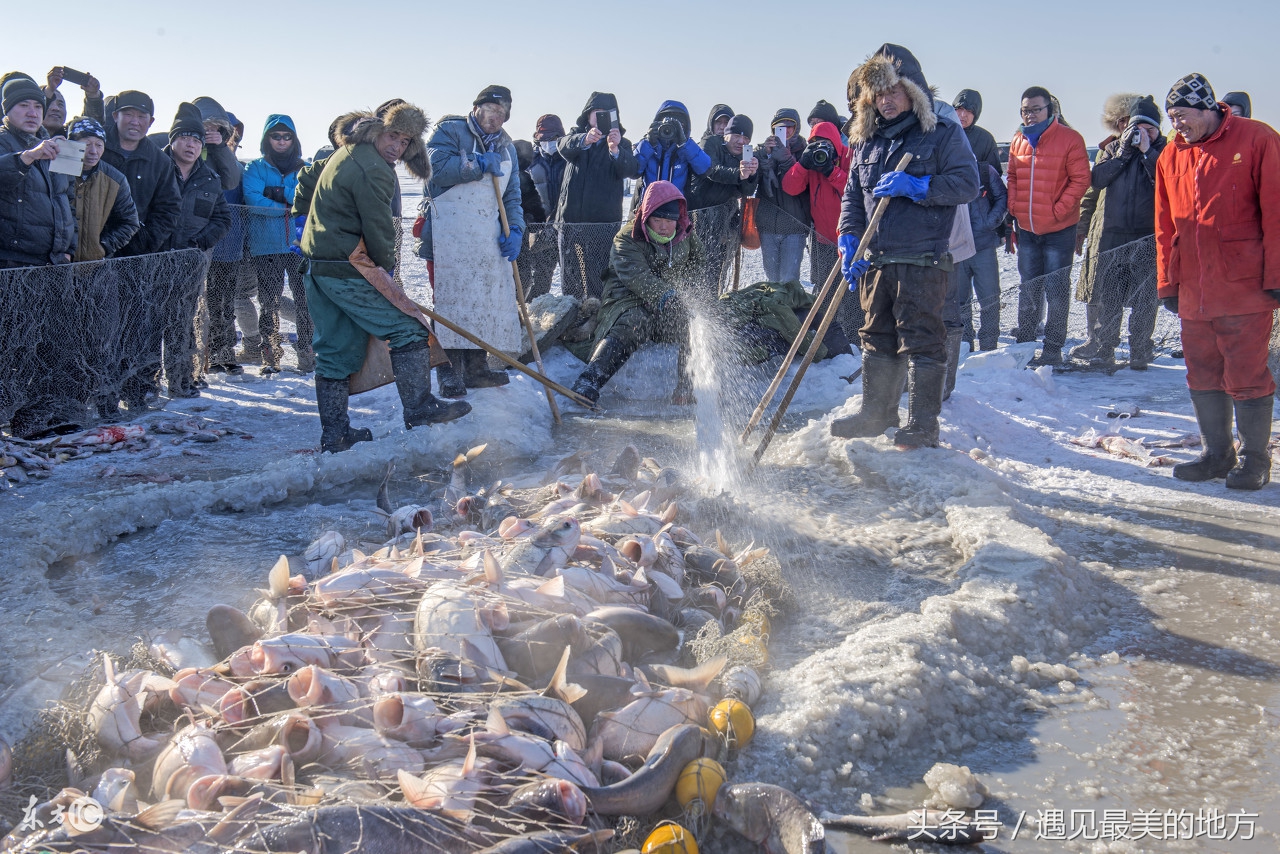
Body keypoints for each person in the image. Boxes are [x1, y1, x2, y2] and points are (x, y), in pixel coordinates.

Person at [829, 43, 979, 448]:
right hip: (875, 259)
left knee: (922, 340)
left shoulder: (942, 134)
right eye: (877, 94)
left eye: (893, 91)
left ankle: (923, 425)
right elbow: (851, 197)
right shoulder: (866, 140)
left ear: (913, 91)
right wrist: (847, 237)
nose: (885, 101)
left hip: (922, 258)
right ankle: (875, 414)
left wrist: (920, 186)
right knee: (876, 335)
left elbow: (968, 183)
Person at [300, 101, 470, 451]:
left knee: (335, 350)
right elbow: (379, 228)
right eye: (393, 136)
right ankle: (420, 408)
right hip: (349, 265)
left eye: (406, 141)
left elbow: (304, 182)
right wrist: (385, 270)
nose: (396, 146)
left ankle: (335, 436)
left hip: (321, 262)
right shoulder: (374, 168)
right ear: (378, 131)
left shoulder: (346, 151)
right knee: (408, 328)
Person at [1156, 73, 1280, 490]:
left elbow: (1277, 211)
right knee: (1202, 373)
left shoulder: (1257, 139)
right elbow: (1163, 226)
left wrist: (1277, 275)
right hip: (1194, 287)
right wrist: (1166, 282)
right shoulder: (1170, 156)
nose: (1178, 125)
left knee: (1246, 373)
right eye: (1172, 117)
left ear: (1209, 109)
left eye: (1184, 116)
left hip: (1244, 285)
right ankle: (1217, 454)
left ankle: (1255, 460)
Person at [419, 85, 524, 397]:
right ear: (477, 108)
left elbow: (513, 195)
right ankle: (448, 372)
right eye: (492, 111)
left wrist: (515, 229)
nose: (496, 120)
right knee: (449, 302)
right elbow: (435, 169)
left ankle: (476, 368)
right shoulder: (450, 131)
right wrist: (476, 165)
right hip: (446, 235)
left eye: (502, 115)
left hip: (484, 236)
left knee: (481, 301)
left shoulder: (507, 148)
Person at [569, 180, 706, 405]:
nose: (663, 226)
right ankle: (589, 381)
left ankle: (685, 389)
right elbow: (635, 275)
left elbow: (699, 263)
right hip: (627, 298)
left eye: (669, 220)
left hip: (668, 299)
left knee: (691, 323)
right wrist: (665, 295)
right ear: (646, 217)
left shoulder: (686, 234)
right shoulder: (627, 237)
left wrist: (686, 290)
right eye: (657, 220)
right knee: (634, 322)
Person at [1006, 85, 1091, 364]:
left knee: (1056, 290)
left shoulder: (1070, 139)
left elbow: (1081, 180)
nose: (1029, 115)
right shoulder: (1018, 139)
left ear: (1048, 110)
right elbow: (1013, 177)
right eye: (1024, 110)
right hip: (1027, 229)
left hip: (1058, 230)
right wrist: (1016, 208)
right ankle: (1025, 346)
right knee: (1029, 287)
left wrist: (1059, 210)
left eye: (1035, 109)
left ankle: (1053, 349)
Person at [1082, 95, 1166, 370]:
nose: (1144, 134)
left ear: (1158, 130)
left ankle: (1140, 348)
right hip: (1113, 234)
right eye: (1137, 128)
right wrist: (1124, 153)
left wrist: (1146, 152)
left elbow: (1167, 182)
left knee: (1145, 297)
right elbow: (1098, 179)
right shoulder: (1114, 148)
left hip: (1147, 235)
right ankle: (1106, 347)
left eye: (1149, 129)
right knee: (1110, 296)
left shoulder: (1164, 150)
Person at [161, 102, 231, 398]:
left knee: (182, 321)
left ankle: (180, 381)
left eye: (196, 140)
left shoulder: (209, 178)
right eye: (185, 138)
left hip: (189, 262)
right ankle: (141, 387)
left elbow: (223, 218)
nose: (190, 145)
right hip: (151, 259)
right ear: (172, 140)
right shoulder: (155, 169)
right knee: (146, 325)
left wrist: (200, 243)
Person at [1070, 93, 1141, 362]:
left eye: (1130, 120)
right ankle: (1096, 341)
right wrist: (1081, 227)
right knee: (1096, 287)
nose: (1126, 126)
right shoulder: (1106, 150)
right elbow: (1091, 193)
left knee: (1138, 292)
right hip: (1104, 230)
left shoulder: (1154, 150)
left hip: (1139, 233)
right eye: (1121, 121)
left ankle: (1138, 346)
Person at [244, 114, 313, 373]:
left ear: (294, 139)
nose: (281, 141)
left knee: (304, 300)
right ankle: (270, 354)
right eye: (276, 136)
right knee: (269, 302)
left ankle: (307, 351)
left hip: (298, 245)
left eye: (287, 136)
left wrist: (275, 193)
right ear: (266, 138)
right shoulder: (255, 168)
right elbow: (252, 200)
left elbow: (304, 198)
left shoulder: (304, 169)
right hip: (266, 246)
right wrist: (285, 206)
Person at [555, 93, 639, 299]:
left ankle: (596, 319)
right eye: (597, 113)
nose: (601, 117)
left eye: (607, 114)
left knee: (598, 277)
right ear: (588, 115)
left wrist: (615, 150)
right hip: (570, 221)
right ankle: (571, 321)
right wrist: (584, 140)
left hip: (602, 225)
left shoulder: (622, 143)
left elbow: (631, 170)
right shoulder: (575, 137)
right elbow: (562, 146)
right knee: (570, 278)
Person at [0, 76, 76, 268]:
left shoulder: (55, 146)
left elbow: (69, 202)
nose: (32, 113)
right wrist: (28, 157)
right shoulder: (2, 140)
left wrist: (69, 250)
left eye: (38, 107)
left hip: (55, 262)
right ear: (6, 111)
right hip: (12, 262)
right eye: (24, 105)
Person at [687, 114, 759, 294]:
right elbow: (712, 170)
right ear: (726, 135)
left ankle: (711, 306)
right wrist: (738, 174)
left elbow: (747, 191)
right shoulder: (711, 143)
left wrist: (752, 174)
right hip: (698, 218)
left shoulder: (745, 155)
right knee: (694, 268)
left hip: (723, 223)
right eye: (736, 135)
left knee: (715, 270)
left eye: (746, 138)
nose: (740, 141)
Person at [947, 153, 1007, 353]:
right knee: (960, 301)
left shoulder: (984, 171)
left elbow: (1002, 197)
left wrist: (990, 222)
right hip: (956, 248)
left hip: (984, 246)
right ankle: (965, 345)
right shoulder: (944, 172)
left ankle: (989, 346)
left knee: (989, 297)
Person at [783, 120, 849, 290]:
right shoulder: (812, 164)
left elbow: (856, 190)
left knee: (850, 290)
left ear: (835, 141)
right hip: (823, 240)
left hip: (849, 238)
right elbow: (790, 188)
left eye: (826, 143)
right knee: (825, 289)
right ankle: (826, 317)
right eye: (816, 143)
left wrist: (831, 171)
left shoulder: (850, 156)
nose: (821, 148)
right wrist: (803, 164)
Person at [66, 117, 138, 262]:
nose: (93, 151)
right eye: (86, 144)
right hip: (56, 265)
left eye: (99, 145)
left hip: (95, 268)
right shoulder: (56, 172)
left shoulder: (116, 179)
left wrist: (102, 247)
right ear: (72, 144)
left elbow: (130, 222)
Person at [754, 109, 810, 283]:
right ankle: (775, 311)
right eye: (779, 127)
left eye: (790, 127)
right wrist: (762, 159)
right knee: (772, 280)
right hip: (768, 225)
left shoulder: (805, 152)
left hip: (794, 226)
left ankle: (789, 311)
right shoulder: (763, 151)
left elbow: (804, 186)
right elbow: (748, 185)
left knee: (789, 280)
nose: (785, 131)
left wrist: (787, 161)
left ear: (797, 128)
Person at [633, 101, 711, 203]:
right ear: (657, 123)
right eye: (665, 125)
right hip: (649, 211)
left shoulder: (687, 150)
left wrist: (685, 143)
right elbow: (633, 171)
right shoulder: (648, 146)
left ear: (685, 128)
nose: (669, 130)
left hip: (676, 213)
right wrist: (648, 143)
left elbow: (706, 169)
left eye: (679, 125)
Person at [513, 139, 557, 299]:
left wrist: (533, 218)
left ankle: (518, 308)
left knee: (523, 275)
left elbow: (534, 204)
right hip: (510, 233)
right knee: (519, 275)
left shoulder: (522, 177)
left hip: (520, 234)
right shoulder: (506, 176)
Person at [951, 89, 1001, 176]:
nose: (963, 115)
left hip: (975, 188)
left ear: (976, 115)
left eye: (969, 111)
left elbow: (994, 175)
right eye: (960, 109)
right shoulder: (941, 133)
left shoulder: (985, 140)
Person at [530, 114, 566, 219]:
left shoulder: (571, 159)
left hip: (566, 224)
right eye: (544, 139)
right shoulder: (530, 160)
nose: (548, 143)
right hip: (539, 223)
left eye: (553, 138)